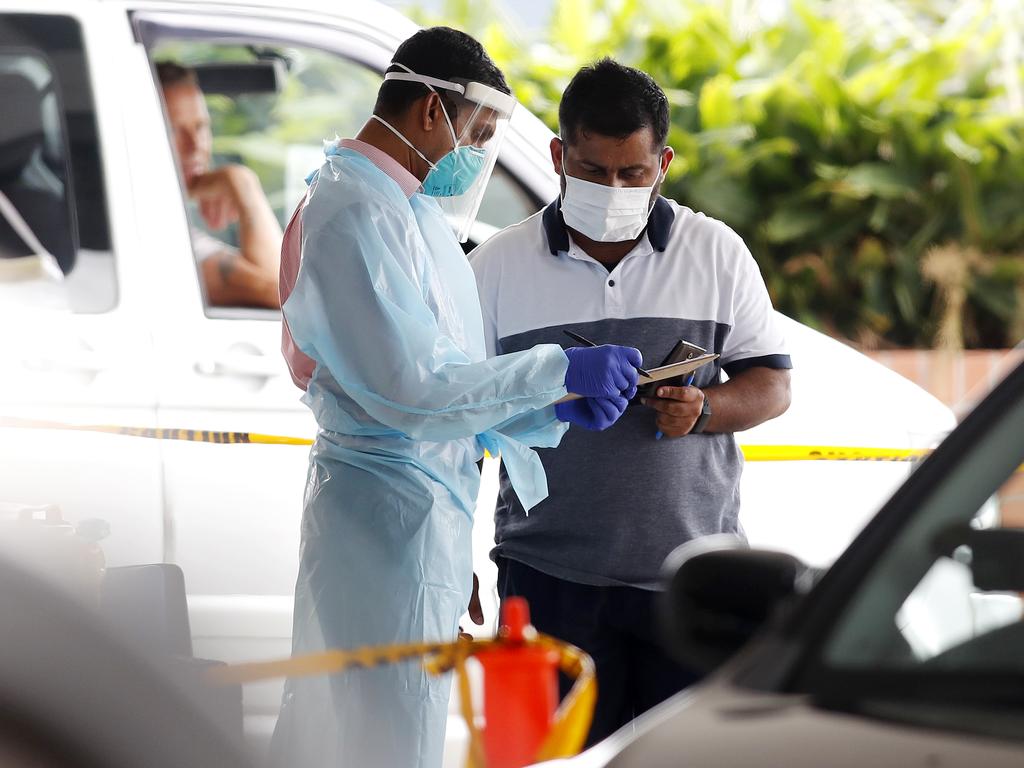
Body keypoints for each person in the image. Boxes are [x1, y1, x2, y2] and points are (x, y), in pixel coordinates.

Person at [271, 29, 642, 768]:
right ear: (430, 112)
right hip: (377, 525)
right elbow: (408, 391)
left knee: (394, 729)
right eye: (476, 132)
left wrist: (542, 410)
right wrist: (557, 371)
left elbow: (445, 377)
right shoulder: (352, 212)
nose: (474, 153)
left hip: (416, 521)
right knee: (370, 737)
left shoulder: (406, 213)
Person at [471, 58, 793, 745]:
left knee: (678, 759)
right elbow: (459, 418)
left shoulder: (717, 254)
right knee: (546, 756)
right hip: (547, 576)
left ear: (664, 162)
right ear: (558, 155)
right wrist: (448, 560)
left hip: (690, 582)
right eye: (591, 172)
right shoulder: (497, 267)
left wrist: (705, 410)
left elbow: (772, 384)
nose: (612, 189)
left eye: (632, 173)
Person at [157, 62, 282, 309]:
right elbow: (285, 296)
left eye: (201, 127)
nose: (195, 146)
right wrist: (241, 181)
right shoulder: (151, 235)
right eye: (173, 130)